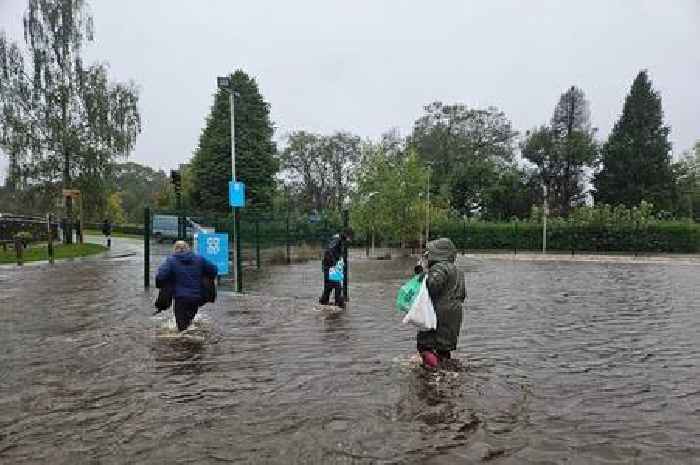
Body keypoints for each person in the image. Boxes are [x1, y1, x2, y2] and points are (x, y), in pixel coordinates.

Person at [415, 238, 466, 369]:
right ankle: (446, 367)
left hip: (439, 311)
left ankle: (437, 369)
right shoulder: (457, 270)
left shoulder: (439, 267)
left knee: (424, 344)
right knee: (444, 346)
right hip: (456, 311)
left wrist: (422, 272)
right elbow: (463, 294)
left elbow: (433, 285)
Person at [156, 241, 218, 331]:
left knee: (181, 328)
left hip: (180, 299)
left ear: (175, 249)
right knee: (189, 322)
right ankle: (191, 341)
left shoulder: (171, 260)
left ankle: (184, 341)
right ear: (188, 248)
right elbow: (214, 270)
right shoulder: (199, 259)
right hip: (196, 298)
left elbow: (161, 276)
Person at [319, 229, 352, 307]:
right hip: (330, 265)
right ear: (345, 235)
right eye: (349, 237)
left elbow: (333, 252)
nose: (349, 240)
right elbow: (329, 251)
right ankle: (338, 302)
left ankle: (325, 301)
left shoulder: (338, 240)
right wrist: (334, 263)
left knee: (329, 285)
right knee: (336, 284)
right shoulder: (337, 240)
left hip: (330, 265)